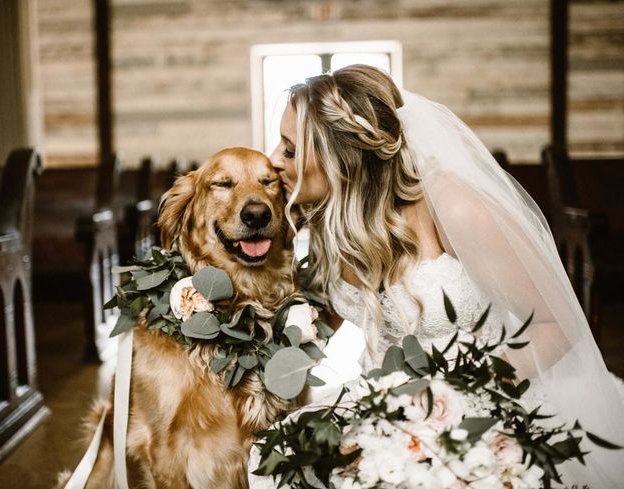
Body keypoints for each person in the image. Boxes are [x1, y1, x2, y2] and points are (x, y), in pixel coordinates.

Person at [248, 64, 624, 487]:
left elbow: (559, 324)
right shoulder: (332, 223)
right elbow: (316, 325)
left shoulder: (453, 206)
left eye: (290, 149)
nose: (274, 160)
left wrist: (452, 392)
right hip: (383, 406)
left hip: (485, 400)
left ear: (343, 158)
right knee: (279, 454)